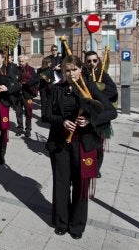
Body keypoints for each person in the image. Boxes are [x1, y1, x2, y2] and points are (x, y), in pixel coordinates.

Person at [43, 55, 117, 240]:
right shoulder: (56, 89)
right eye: (67, 70)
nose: (71, 73)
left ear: (80, 69)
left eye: (74, 69)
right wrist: (62, 121)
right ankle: (61, 222)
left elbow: (111, 112)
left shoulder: (89, 87)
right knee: (61, 184)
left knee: (80, 185)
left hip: (83, 144)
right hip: (61, 143)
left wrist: (90, 119)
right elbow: (46, 114)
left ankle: (76, 226)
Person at [83, 51, 118, 178]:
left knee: (98, 144)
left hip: (100, 113)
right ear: (85, 62)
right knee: (87, 143)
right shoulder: (82, 74)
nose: (91, 63)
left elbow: (113, 91)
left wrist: (98, 95)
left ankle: (96, 168)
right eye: (88, 61)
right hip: (86, 112)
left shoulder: (103, 74)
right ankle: (86, 164)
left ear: (98, 61)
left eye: (94, 60)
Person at [14, 55, 39, 138]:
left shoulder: (31, 69)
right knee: (18, 112)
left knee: (28, 112)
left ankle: (28, 129)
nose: (20, 63)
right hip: (18, 94)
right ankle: (20, 127)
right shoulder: (16, 69)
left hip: (28, 95)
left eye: (22, 61)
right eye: (19, 61)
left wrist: (27, 82)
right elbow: (12, 79)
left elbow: (36, 80)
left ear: (26, 61)